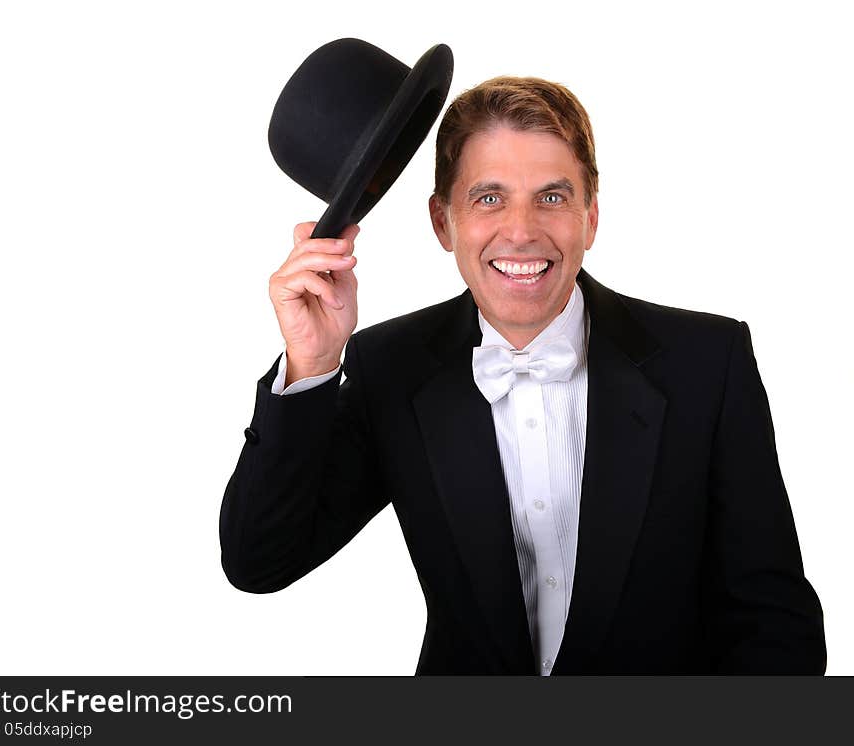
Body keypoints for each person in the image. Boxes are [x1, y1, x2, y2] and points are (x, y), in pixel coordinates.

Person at [219, 76, 826, 674]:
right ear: (442, 222)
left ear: (590, 216)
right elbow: (260, 562)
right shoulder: (390, 368)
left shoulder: (707, 361)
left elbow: (774, 625)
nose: (521, 231)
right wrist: (312, 365)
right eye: (489, 198)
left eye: (552, 197)